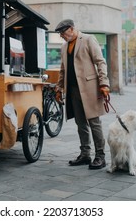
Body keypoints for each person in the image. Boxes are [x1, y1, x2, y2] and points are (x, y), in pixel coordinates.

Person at [55, 19, 110, 169]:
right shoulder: (64, 47)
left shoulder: (87, 39)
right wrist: (59, 88)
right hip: (73, 90)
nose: (61, 36)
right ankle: (85, 154)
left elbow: (100, 62)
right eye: (60, 34)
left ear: (71, 29)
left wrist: (104, 83)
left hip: (90, 88)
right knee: (80, 124)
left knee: (94, 123)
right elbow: (63, 70)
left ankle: (100, 156)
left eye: (62, 33)